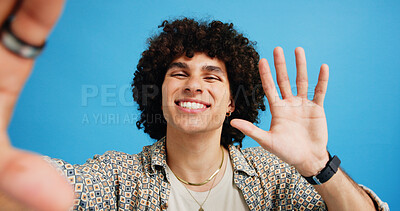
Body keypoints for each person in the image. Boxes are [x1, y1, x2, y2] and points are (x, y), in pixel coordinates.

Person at [0, 1, 389, 210]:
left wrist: (318, 167)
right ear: (159, 92)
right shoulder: (118, 178)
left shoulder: (275, 178)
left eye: (212, 76)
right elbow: (43, 194)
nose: (194, 86)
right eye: (179, 73)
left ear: (231, 102)